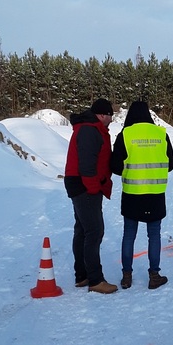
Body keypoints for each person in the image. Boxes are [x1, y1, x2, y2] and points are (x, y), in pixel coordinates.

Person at [111, 101, 173, 290]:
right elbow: (170, 163)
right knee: (154, 235)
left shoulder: (126, 134)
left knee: (129, 235)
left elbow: (115, 166)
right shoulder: (161, 134)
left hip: (132, 194)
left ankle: (126, 277)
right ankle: (154, 275)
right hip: (155, 195)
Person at [64, 98, 118, 294]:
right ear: (103, 115)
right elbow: (87, 166)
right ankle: (95, 280)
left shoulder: (91, 128)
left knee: (83, 230)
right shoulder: (89, 130)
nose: (112, 119)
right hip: (84, 185)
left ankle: (82, 275)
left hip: (81, 184)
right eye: (111, 115)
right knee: (94, 231)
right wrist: (94, 189)